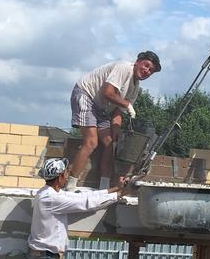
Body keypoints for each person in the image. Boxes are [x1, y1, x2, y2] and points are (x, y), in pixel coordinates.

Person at [67, 50, 161, 190]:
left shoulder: (135, 88)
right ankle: (70, 184)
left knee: (110, 144)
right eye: (146, 65)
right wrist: (127, 104)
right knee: (91, 142)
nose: (147, 71)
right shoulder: (124, 68)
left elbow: (117, 111)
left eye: (151, 71)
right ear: (137, 62)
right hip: (86, 95)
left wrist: (116, 132)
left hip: (101, 107)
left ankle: (103, 187)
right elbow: (107, 92)